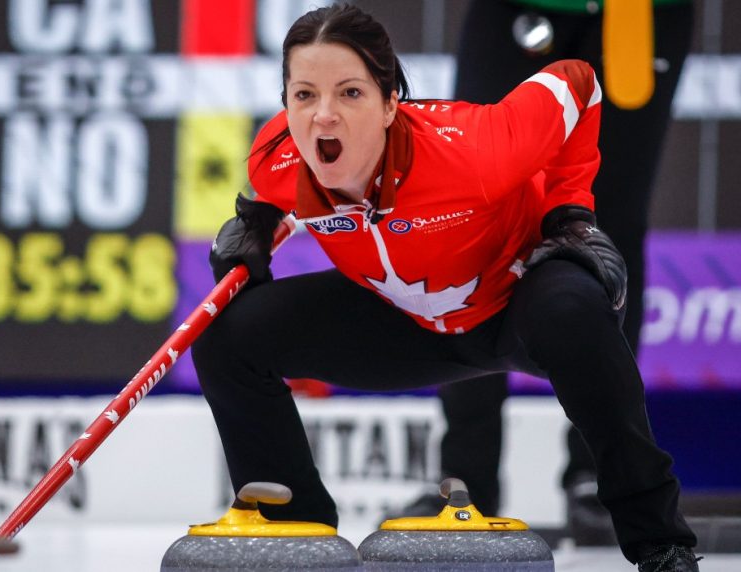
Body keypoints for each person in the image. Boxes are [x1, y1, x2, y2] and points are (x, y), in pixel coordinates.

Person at [192, 4, 699, 571]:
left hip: (516, 304)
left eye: (351, 93)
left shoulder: (474, 152)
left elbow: (578, 83)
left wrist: (569, 214)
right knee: (225, 335)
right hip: (407, 320)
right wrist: (258, 220)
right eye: (303, 95)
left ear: (390, 105)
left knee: (574, 307)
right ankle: (297, 534)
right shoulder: (276, 156)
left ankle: (660, 542)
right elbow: (275, 184)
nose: (324, 116)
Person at [392, 0, 696, 546]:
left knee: (610, 225)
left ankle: (602, 478)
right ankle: (465, 479)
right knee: (477, 202)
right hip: (516, 7)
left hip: (637, 15)